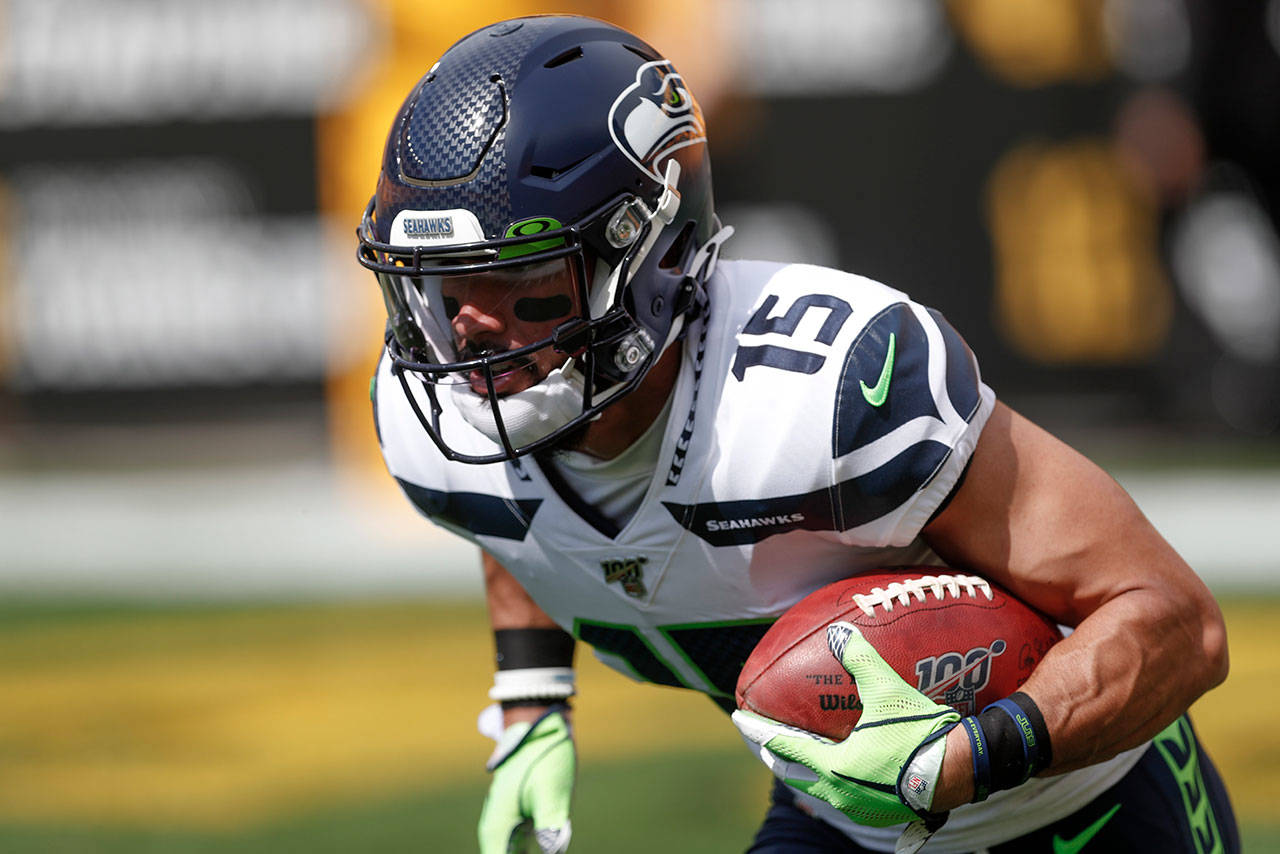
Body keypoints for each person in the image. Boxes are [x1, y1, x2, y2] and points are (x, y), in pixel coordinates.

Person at [356, 14, 1237, 854]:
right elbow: (514, 523)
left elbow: (1176, 622)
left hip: (1083, 807)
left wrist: (968, 761)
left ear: (649, 253)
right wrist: (532, 696)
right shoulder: (434, 420)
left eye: (526, 286)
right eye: (438, 293)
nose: (469, 347)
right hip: (845, 826)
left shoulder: (831, 393)